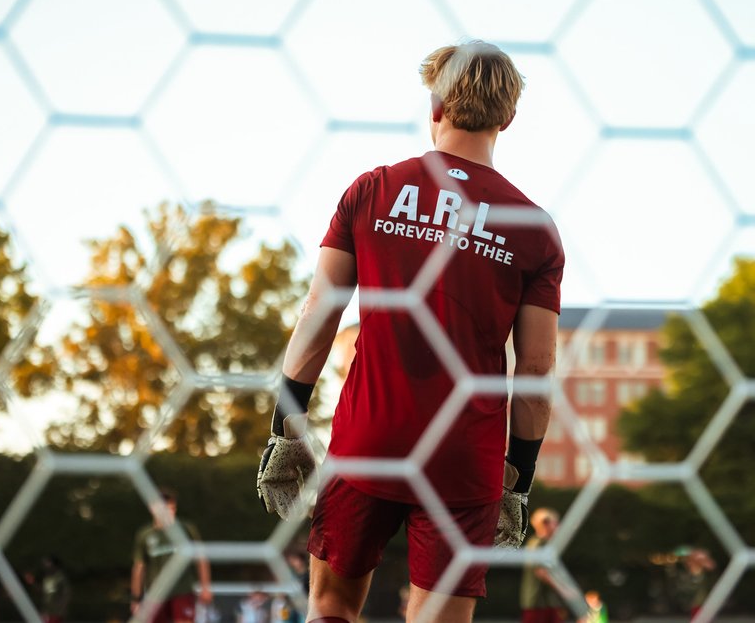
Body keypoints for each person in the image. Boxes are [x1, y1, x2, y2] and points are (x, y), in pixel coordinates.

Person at [256, 39, 564, 623]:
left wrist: (286, 430)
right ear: (509, 119)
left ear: (437, 107)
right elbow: (536, 369)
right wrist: (517, 480)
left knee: (330, 609)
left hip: (367, 440)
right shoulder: (533, 227)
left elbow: (319, 315)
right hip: (463, 458)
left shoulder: (371, 190)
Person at [131, 489, 213, 623]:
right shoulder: (145, 535)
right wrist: (136, 599)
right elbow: (139, 568)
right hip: (156, 593)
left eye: (173, 508)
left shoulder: (186, 529)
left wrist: (205, 587)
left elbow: (201, 559)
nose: (170, 513)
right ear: (153, 509)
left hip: (182, 591)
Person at [520, 509, 569, 623]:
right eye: (555, 522)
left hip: (549, 601)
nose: (558, 526)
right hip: (537, 601)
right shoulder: (538, 544)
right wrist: (564, 590)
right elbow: (541, 571)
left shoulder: (547, 544)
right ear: (545, 524)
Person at [24, 555, 70, 623]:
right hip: (49, 612)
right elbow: (44, 591)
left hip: (54, 613)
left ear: (54, 565)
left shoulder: (58, 578)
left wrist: (61, 610)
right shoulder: (50, 578)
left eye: (48, 563)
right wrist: (32, 582)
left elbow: (65, 595)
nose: (45, 565)